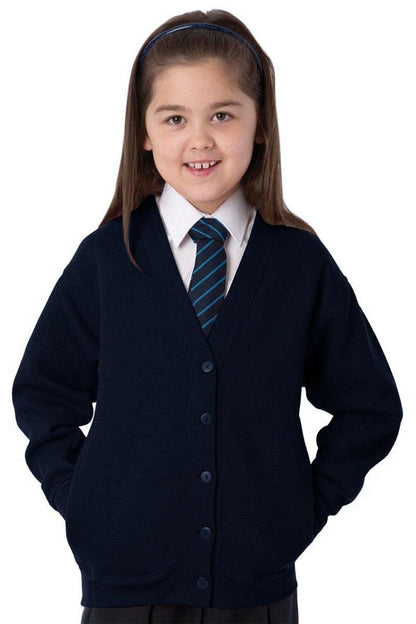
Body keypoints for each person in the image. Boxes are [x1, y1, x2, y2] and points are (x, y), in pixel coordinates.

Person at [11, 8, 403, 624]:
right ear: (143, 133)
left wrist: (302, 508)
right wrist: (82, 499)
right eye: (175, 118)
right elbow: (42, 394)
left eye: (223, 115)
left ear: (260, 124)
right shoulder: (107, 259)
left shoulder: (300, 265)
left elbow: (370, 405)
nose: (200, 140)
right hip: (123, 587)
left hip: (254, 588)